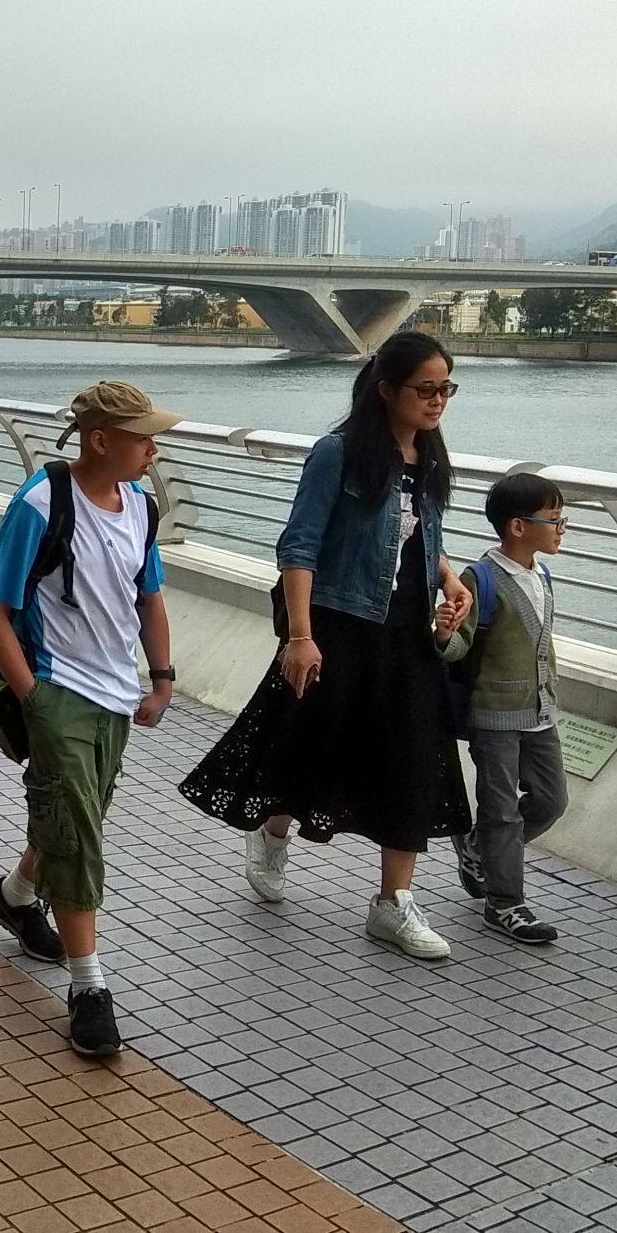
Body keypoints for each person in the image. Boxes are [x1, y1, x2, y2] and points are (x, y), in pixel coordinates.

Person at [178, 332, 475, 961]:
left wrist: (449, 578)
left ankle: (393, 903)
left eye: (446, 388)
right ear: (386, 389)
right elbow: (300, 545)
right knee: (309, 745)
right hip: (337, 625)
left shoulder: (428, 458)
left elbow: (416, 533)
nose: (438, 400)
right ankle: (272, 832)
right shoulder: (337, 454)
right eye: (426, 388)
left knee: (413, 761)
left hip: (406, 633)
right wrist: (301, 636)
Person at [0, 381, 178, 1059]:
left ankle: (15, 896)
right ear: (100, 439)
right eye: (142, 437)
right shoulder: (40, 503)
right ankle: (89, 989)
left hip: (116, 696)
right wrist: (34, 696)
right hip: (59, 690)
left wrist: (162, 676)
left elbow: (149, 597)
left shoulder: (140, 506)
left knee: (73, 816)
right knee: (80, 833)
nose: (153, 450)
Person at [437, 474, 569, 945]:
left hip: (539, 713)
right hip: (493, 715)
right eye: (554, 520)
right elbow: (459, 646)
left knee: (551, 801)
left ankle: (477, 847)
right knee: (501, 811)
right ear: (518, 526)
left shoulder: (541, 575)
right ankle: (505, 904)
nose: (561, 530)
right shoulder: (482, 578)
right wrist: (444, 633)